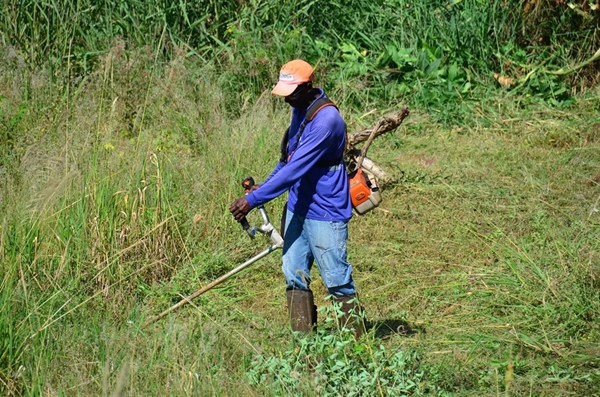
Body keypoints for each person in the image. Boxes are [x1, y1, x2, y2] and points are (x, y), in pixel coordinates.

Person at [229, 59, 365, 337]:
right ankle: (303, 345)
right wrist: (262, 189)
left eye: (291, 92)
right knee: (294, 274)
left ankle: (357, 348)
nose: (287, 99)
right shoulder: (299, 109)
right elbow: (288, 159)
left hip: (325, 210)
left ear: (306, 86)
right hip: (298, 206)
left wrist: (252, 202)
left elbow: (294, 170)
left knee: (337, 280)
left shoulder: (327, 120)